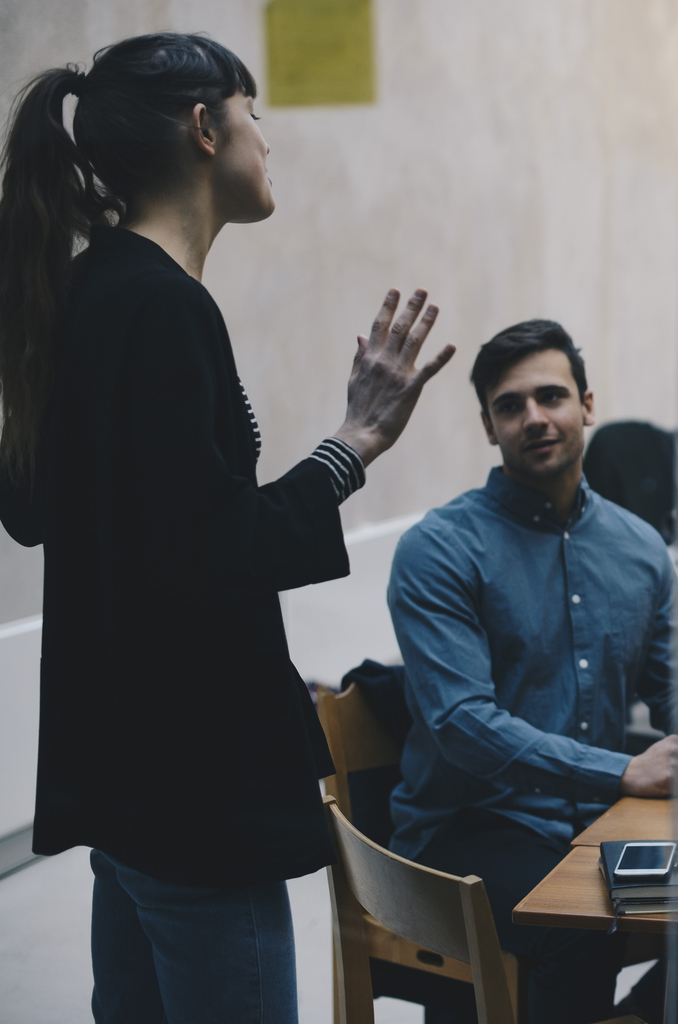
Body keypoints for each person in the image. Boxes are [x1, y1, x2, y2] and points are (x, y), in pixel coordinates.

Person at [0, 35, 453, 1023]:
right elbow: (215, 553)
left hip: (129, 793)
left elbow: (34, 509)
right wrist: (354, 441)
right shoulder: (162, 307)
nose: (267, 145)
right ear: (207, 128)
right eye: (257, 119)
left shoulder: (87, 291)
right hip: (194, 799)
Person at [386, 319, 678, 1023]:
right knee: (578, 921)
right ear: (488, 427)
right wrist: (618, 773)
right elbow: (465, 726)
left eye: (551, 396)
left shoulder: (637, 544)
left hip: (595, 822)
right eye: (510, 406)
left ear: (587, 405)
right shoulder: (439, 549)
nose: (534, 418)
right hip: (468, 831)